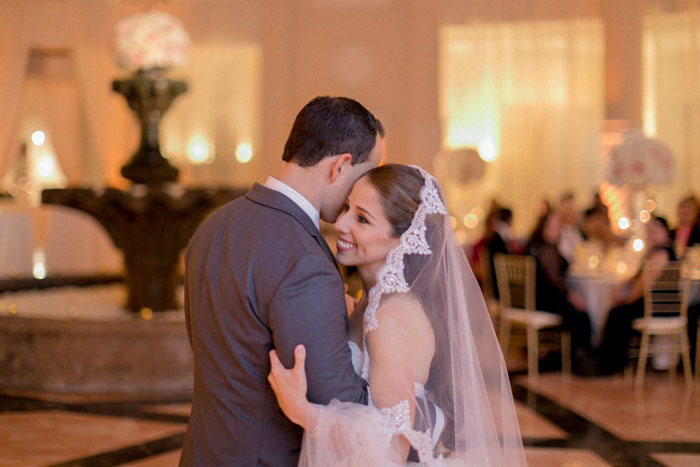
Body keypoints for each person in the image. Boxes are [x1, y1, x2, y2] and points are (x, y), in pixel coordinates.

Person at [268, 164, 526, 466]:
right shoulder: (386, 304)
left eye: (362, 219)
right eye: (348, 207)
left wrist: (304, 412)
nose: (340, 223)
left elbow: (393, 446)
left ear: (403, 240)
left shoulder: (389, 316)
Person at [179, 96, 384, 466]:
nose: (361, 192)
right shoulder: (304, 258)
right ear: (340, 166)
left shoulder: (213, 225)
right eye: (365, 175)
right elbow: (337, 400)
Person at [597, 216, 676, 375]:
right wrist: (622, 285)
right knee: (618, 312)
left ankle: (611, 364)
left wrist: (626, 299)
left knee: (618, 313)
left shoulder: (660, 254)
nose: (651, 234)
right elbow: (636, 277)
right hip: (655, 305)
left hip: (659, 307)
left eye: (655, 230)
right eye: (650, 230)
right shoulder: (655, 253)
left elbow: (642, 285)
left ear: (665, 233)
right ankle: (612, 361)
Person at [525, 210, 595, 375]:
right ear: (543, 227)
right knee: (580, 314)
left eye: (557, 227)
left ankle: (569, 356)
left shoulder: (538, 247)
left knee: (577, 312)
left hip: (538, 300)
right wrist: (572, 297)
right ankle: (580, 358)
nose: (555, 231)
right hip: (543, 302)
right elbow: (556, 283)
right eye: (551, 227)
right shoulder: (545, 250)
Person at [670, 195, 700, 259]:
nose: (685, 210)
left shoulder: (697, 233)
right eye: (683, 207)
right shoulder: (669, 233)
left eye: (689, 208)